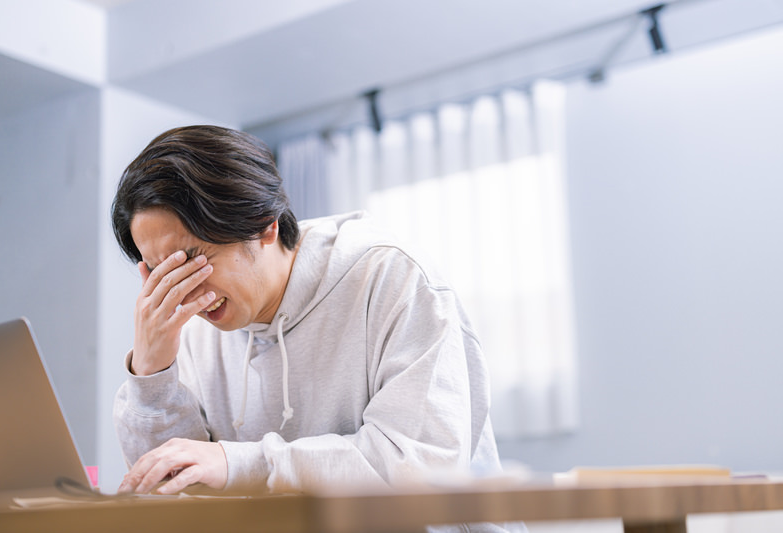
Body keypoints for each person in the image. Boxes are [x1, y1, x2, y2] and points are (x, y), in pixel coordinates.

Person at [111, 125, 514, 530]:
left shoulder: (394, 279)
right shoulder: (192, 328)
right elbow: (174, 492)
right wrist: (152, 373)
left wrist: (244, 464)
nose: (180, 292)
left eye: (193, 260)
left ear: (264, 224)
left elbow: (421, 471)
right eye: (161, 271)